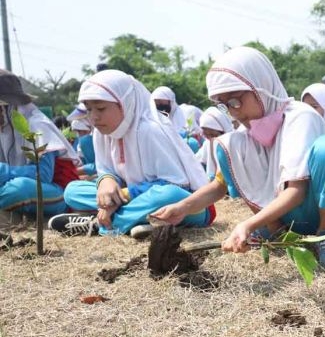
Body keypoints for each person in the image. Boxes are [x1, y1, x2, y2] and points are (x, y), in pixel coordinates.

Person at [150, 46, 325, 271]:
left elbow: (297, 191)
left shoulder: (300, 117)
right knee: (228, 147)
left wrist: (248, 224)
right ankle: (278, 233)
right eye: (225, 105)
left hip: (317, 210)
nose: (234, 112)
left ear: (260, 88)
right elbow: (219, 186)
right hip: (283, 220)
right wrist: (183, 207)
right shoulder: (243, 138)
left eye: (236, 101)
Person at [48, 70, 214, 237]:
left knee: (169, 195)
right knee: (72, 190)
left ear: (124, 103)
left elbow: (178, 185)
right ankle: (139, 221)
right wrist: (107, 181)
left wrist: (122, 196)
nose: (94, 117)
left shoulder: (150, 130)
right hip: (135, 200)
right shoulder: (101, 133)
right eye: (89, 109)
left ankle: (102, 225)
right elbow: (106, 170)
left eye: (100, 108)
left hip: (188, 205)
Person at [0, 69, 81, 218]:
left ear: (9, 106)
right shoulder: (3, 131)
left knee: (19, 189)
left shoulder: (38, 125)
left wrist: (4, 172)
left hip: (60, 193)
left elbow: (42, 176)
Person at [151, 86, 200, 152]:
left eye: (161, 102)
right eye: (156, 103)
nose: (159, 105)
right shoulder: (154, 119)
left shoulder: (187, 112)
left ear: (170, 101)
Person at [194, 106, 234, 179]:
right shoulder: (207, 143)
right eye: (206, 135)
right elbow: (197, 159)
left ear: (223, 131)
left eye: (213, 135)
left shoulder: (232, 143)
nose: (210, 138)